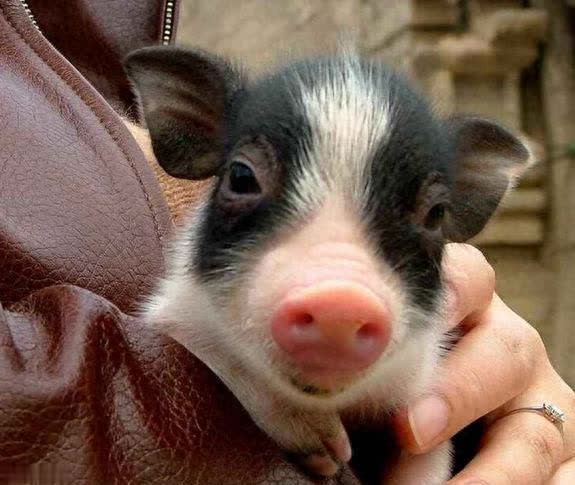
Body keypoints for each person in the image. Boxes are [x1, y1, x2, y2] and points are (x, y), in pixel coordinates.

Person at [0, 0, 573, 483]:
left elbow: (428, 432)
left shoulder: (426, 347)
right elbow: (170, 340)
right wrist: (248, 400)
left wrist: (517, 418)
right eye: (246, 180)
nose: (338, 281)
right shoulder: (184, 315)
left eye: (430, 215)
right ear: (191, 123)